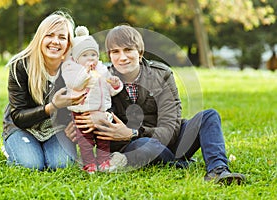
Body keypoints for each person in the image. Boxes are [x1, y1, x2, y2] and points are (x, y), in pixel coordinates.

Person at [65, 24, 246, 185]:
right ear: (109, 56)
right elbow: (100, 122)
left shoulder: (162, 74)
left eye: (128, 50)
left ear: (140, 52)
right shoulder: (101, 79)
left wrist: (133, 133)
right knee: (145, 146)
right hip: (135, 146)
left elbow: (172, 127)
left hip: (169, 140)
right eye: (115, 52)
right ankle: (180, 164)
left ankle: (218, 170)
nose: (122, 57)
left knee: (209, 116)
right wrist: (81, 124)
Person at [2, 11, 87, 171]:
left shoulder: (76, 69)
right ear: (40, 37)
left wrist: (76, 125)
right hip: (22, 127)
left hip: (56, 128)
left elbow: (88, 102)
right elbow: (18, 116)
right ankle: (13, 147)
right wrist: (52, 106)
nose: (55, 41)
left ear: (69, 44)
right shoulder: (20, 65)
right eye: (50, 35)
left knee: (61, 164)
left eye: (62, 37)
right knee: (31, 164)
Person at [62, 26, 123, 173]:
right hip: (81, 112)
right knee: (85, 140)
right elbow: (75, 84)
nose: (90, 59)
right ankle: (89, 163)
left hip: (101, 111)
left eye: (93, 55)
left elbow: (110, 90)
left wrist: (115, 84)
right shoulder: (71, 69)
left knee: (104, 138)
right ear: (76, 58)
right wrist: (86, 72)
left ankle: (104, 162)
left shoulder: (102, 69)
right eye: (85, 55)